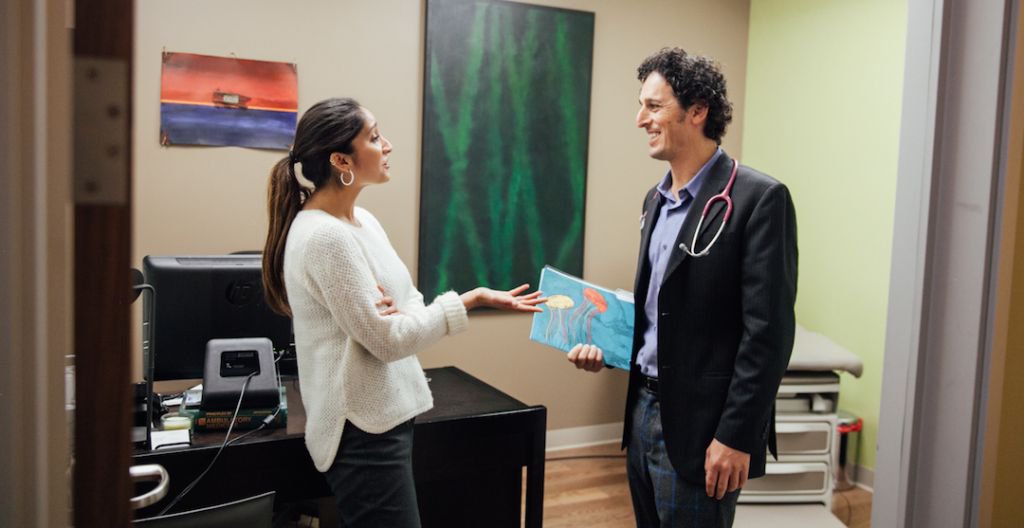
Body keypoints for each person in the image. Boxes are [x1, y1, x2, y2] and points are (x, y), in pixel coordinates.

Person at [261, 97, 545, 527]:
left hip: (387, 418)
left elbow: (409, 298)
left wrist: (397, 318)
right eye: (374, 137)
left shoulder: (363, 223)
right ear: (341, 160)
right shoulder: (325, 239)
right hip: (361, 430)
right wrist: (468, 300)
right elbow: (387, 341)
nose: (387, 145)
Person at [567, 48, 798, 527]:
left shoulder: (759, 200)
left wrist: (735, 436)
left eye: (654, 106)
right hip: (644, 412)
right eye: (641, 106)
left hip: (706, 428)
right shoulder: (655, 200)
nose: (640, 119)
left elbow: (768, 334)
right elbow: (663, 311)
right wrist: (607, 347)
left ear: (697, 111)